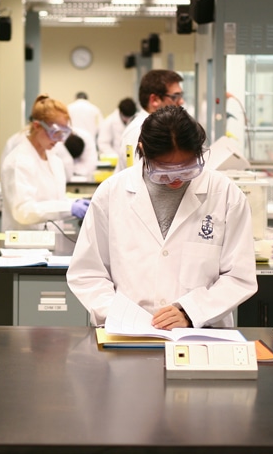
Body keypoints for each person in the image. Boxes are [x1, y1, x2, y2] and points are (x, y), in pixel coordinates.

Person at [67, 105, 257, 328]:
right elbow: (88, 272)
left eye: (187, 168)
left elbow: (239, 277)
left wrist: (190, 313)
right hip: (126, 332)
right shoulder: (111, 193)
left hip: (201, 333)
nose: (176, 179)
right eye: (165, 170)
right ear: (143, 150)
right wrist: (119, 314)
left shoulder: (225, 195)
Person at [1, 94, 90, 231]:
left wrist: (71, 203)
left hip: (50, 241)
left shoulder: (54, 159)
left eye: (64, 133)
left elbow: (52, 202)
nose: (60, 140)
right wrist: (68, 208)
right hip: (24, 246)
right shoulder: (19, 161)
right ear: (37, 126)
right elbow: (23, 211)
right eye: (56, 133)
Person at [114, 70, 185, 173]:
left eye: (181, 96)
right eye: (175, 96)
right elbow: (140, 178)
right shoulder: (139, 130)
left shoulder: (160, 126)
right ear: (154, 100)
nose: (181, 101)